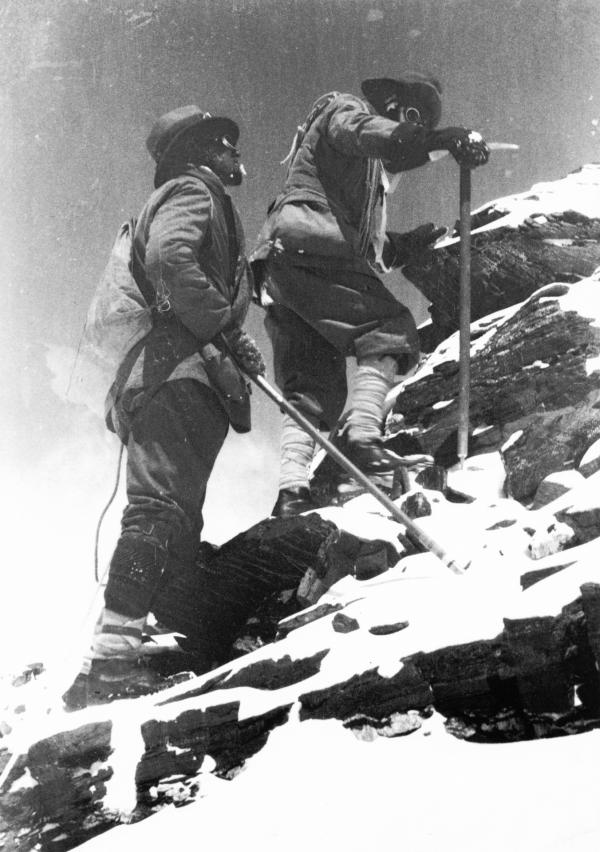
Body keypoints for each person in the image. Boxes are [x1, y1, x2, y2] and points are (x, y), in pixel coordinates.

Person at [64, 105, 265, 709]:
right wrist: (218, 330)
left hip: (184, 377)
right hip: (173, 375)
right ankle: (107, 665)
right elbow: (171, 261)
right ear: (201, 151)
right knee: (159, 508)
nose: (235, 153)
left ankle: (189, 639)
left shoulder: (200, 194)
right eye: (225, 143)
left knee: (175, 517)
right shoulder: (192, 190)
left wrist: (237, 342)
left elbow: (191, 283)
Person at [250, 72, 489, 518]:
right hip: (310, 249)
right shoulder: (345, 110)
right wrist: (439, 140)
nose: (411, 128)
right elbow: (366, 134)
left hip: (286, 270)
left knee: (312, 387)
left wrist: (407, 245)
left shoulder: (365, 181)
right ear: (397, 105)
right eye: (413, 118)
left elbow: (370, 252)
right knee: (389, 327)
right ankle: (362, 438)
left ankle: (292, 491)